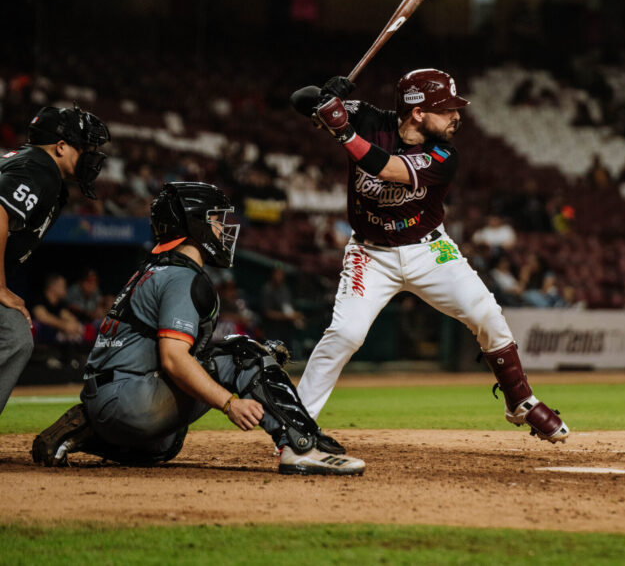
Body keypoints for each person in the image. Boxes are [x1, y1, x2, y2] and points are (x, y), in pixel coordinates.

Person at [289, 70, 569, 443]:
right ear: (417, 112)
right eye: (447, 109)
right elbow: (299, 98)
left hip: (429, 250)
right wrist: (325, 96)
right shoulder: (370, 118)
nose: (457, 117)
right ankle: (295, 425)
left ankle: (519, 400)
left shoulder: (444, 154)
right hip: (370, 254)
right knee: (345, 333)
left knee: (485, 313)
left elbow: (387, 168)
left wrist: (343, 132)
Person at [31, 182, 363, 475]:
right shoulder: (181, 276)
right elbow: (175, 360)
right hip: (131, 399)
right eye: (216, 220)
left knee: (165, 446)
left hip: (107, 398)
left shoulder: (153, 268)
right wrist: (230, 402)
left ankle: (82, 433)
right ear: (195, 225)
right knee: (246, 354)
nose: (222, 229)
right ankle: (301, 448)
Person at [0, 105, 109, 417]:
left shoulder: (30, 163)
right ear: (60, 147)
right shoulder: (40, 167)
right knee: (14, 337)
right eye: (84, 148)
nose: (91, 156)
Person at [260, 265, 305, 354]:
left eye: (281, 274)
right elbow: (268, 313)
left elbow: (288, 308)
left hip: (286, 330)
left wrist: (296, 315)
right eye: (277, 274)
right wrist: (287, 316)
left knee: (289, 356)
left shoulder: (285, 290)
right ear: (272, 275)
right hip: (272, 330)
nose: (279, 277)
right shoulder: (267, 290)